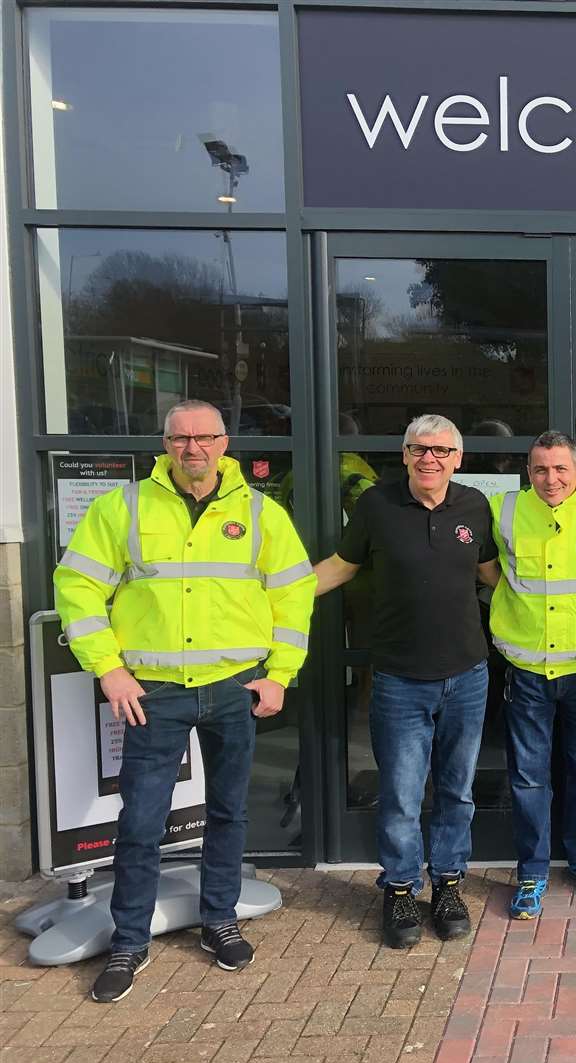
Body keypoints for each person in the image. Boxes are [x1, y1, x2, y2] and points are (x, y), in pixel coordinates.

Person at [55, 400, 316, 1003]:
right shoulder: (121, 507)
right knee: (140, 823)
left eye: (204, 438)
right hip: (153, 694)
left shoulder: (260, 513)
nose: (192, 448)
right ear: (165, 443)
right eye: (180, 438)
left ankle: (218, 919)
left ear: (225, 444)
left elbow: (294, 596)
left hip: (234, 691)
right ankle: (129, 941)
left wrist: (280, 675)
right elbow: (77, 586)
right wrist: (110, 670)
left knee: (228, 814)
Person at [312, 415, 500, 950]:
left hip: (467, 673)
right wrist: (270, 599)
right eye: (420, 449)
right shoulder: (376, 505)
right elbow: (341, 567)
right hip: (398, 679)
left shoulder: (474, 507)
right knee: (399, 793)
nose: (430, 459)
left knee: (456, 791)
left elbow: (491, 576)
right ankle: (398, 888)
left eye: (442, 451)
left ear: (458, 459)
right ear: (404, 454)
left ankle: (446, 885)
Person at [488, 431, 576, 919]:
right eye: (540, 469)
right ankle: (532, 870)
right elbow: (487, 570)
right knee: (529, 778)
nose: (551, 479)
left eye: (560, 469)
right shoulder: (503, 510)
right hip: (526, 668)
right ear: (528, 472)